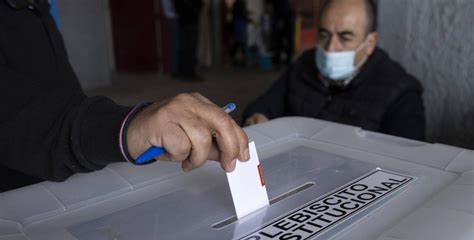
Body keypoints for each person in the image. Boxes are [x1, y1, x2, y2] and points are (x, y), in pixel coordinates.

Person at [0, 0, 249, 192]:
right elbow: (22, 117)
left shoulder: (38, 6)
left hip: (64, 183)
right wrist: (126, 128)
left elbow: (60, 94)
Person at [243, 0, 426, 141]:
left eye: (345, 38)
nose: (331, 47)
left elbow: (409, 166)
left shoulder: (401, 94)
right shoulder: (304, 65)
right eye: (324, 35)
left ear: (370, 43)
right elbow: (264, 104)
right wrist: (258, 117)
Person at [174, 0, 203, 80]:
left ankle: (188, 72)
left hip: (187, 23)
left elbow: (200, 5)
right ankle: (187, 72)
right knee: (187, 48)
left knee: (189, 48)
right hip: (187, 23)